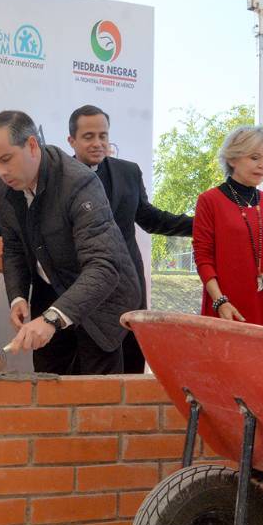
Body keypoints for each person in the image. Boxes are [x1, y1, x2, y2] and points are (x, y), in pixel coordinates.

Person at [0, 110, 140, 374]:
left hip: (100, 299)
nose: (1, 172)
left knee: (96, 396)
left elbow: (104, 266)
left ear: (32, 145)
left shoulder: (80, 183)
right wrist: (17, 295)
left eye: (6, 159)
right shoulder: (2, 184)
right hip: (51, 288)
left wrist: (53, 318)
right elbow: (13, 245)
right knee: (47, 383)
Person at [67, 104, 192, 372]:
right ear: (72, 140)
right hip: (83, 291)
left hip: (128, 288)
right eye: (89, 137)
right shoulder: (59, 178)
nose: (98, 143)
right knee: (88, 376)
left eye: (103, 136)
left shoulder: (128, 172)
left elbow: (150, 218)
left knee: (132, 366)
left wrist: (201, 225)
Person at [192, 126, 263, 330]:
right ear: (232, 159)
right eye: (255, 158)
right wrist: (219, 301)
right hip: (227, 307)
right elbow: (203, 258)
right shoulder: (209, 201)